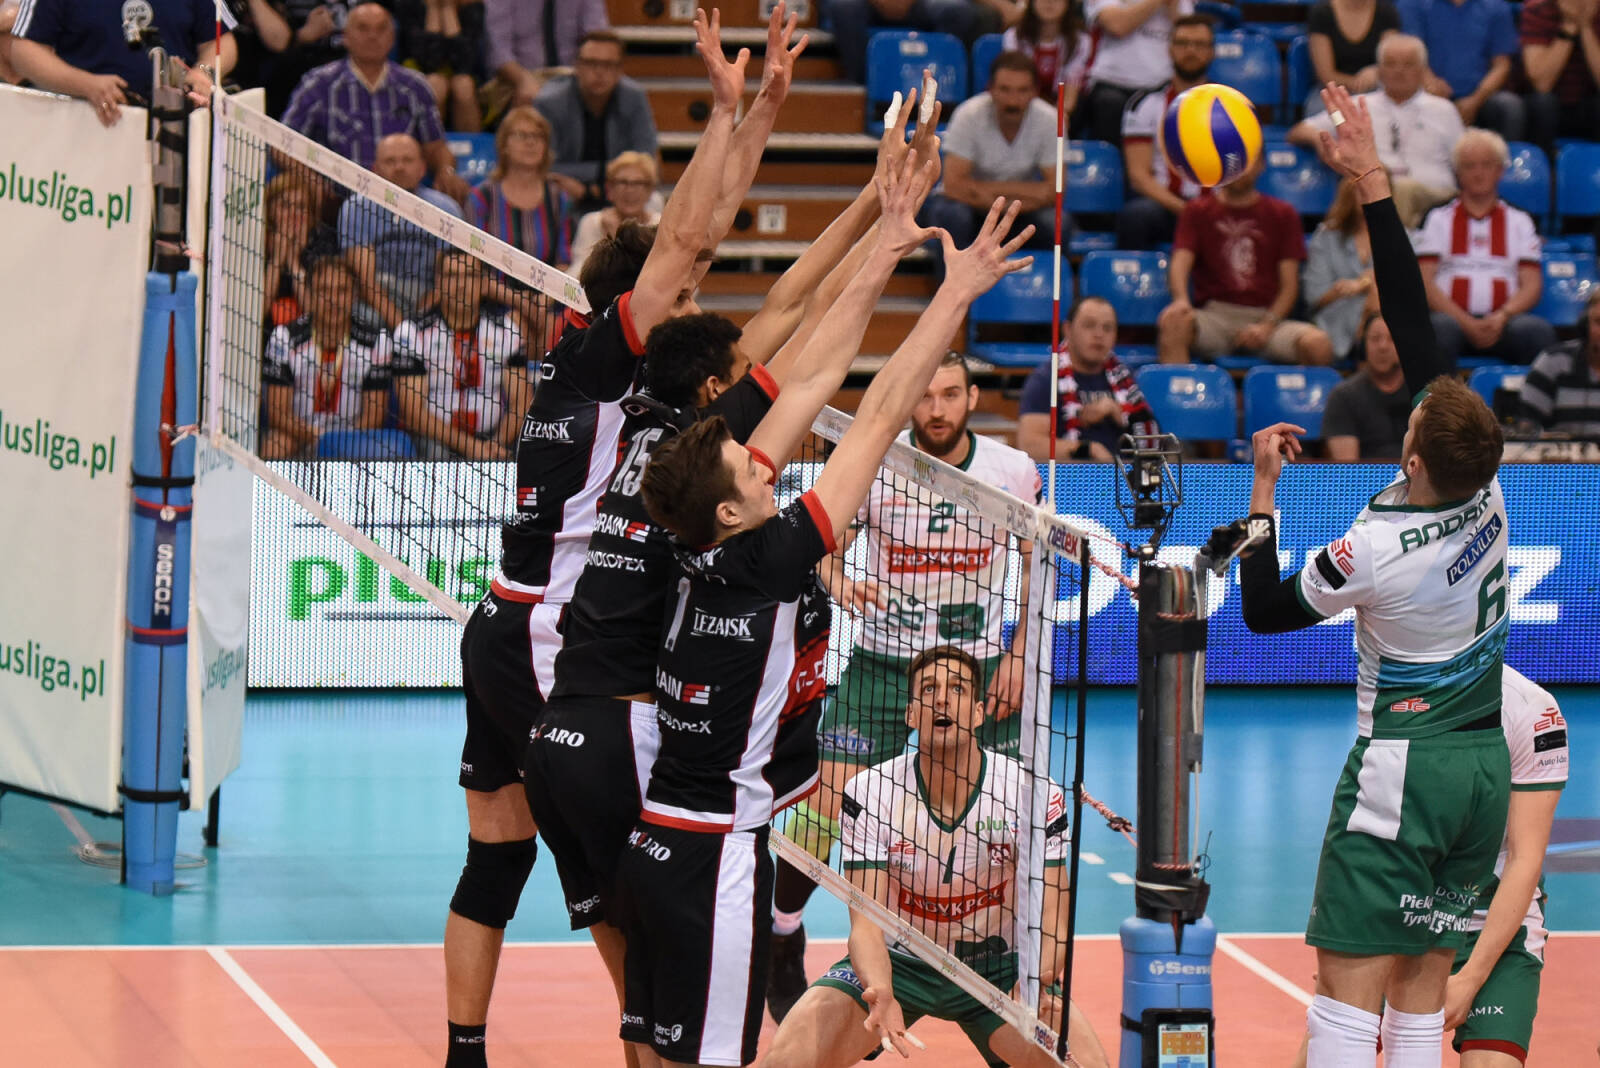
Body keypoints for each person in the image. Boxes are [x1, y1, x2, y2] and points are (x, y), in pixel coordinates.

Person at [444, 10, 807, 1067]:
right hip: (552, 642)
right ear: (634, 306)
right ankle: (664, 1043)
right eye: (677, 297)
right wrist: (730, 112)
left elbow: (698, 242)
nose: (692, 301)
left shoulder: (572, 363)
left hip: (499, 622)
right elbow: (687, 240)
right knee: (622, 874)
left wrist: (757, 113)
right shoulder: (617, 370)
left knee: (497, 860)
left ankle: (466, 1049)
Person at [620, 181, 1034, 1067]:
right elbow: (878, 414)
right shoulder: (768, 561)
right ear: (729, 511)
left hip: (651, 837)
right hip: (716, 854)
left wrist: (884, 246)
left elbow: (810, 376)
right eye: (749, 466)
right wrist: (955, 292)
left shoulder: (687, 544)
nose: (762, 462)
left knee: (653, 1048)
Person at [1240, 82, 1511, 1068]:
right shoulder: (1487, 485)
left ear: (1412, 455)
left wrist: (1263, 493)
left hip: (1404, 767)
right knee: (1419, 989)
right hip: (1482, 769)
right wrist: (1372, 181)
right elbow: (1411, 311)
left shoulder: (1378, 548)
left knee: (1346, 993)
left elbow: (1264, 612)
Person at [767, 348, 1043, 1020]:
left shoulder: (1012, 470)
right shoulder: (875, 458)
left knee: (1009, 820)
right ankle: (780, 933)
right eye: (924, 394)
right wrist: (837, 580)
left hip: (975, 673)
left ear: (973, 398)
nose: (936, 408)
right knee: (823, 805)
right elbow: (822, 544)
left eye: (950, 394)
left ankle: (1017, 963)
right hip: (885, 667)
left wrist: (1018, 655)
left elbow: (1041, 567)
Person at [763, 645, 1112, 1068]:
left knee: (1087, 1066)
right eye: (928, 689)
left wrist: (1034, 983)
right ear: (911, 714)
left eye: (958, 688)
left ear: (979, 713)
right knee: (787, 1059)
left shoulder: (1031, 794)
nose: (942, 698)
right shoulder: (871, 793)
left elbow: (1053, 918)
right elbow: (866, 926)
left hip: (1001, 970)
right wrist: (880, 988)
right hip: (900, 962)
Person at [1444, 667, 1568, 1067]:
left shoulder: (1533, 710)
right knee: (1326, 1051)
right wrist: (1348, 941)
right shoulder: (1395, 685)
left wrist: (1470, 979)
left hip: (1496, 921)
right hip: (1403, 913)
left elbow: (1524, 858)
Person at [281, 3, 471, 203]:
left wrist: (446, 170)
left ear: (392, 37)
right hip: (336, 201)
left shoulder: (415, 86)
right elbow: (282, 142)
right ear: (345, 36)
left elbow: (436, 146)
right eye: (363, 28)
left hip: (406, 202)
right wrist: (310, 180)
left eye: (381, 29)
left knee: (448, 204)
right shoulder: (319, 84)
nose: (373, 36)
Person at [1157, 155, 1335, 366]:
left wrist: (1267, 325)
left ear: (1261, 165)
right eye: (1233, 161)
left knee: (1318, 345)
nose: (1239, 169)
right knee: (1173, 323)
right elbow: (1180, 262)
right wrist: (1181, 300)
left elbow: (1289, 287)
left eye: (1247, 162)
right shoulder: (1196, 211)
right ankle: (1182, 388)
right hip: (1214, 316)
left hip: (1267, 317)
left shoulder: (1283, 214)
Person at [1289, 34, 1463, 226]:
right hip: (1375, 193)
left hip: (1436, 199)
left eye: (1408, 64)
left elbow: (1463, 164)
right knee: (1358, 191)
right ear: (1378, 69)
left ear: (1423, 70)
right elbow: (1300, 130)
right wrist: (1318, 138)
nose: (1399, 71)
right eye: (1391, 64)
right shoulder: (1358, 106)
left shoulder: (1444, 110)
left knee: (1403, 189)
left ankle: (1388, 243)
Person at [1417, 130, 1553, 370]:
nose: (1478, 173)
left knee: (1536, 332)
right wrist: (1465, 321)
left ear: (1500, 170)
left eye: (1486, 165)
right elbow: (1425, 282)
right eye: (1469, 166)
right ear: (1457, 173)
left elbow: (1532, 285)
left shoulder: (1520, 221)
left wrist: (1502, 316)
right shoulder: (1437, 218)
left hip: (1503, 323)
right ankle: (1439, 396)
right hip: (1453, 322)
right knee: (1437, 329)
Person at [920, 51, 1063, 279]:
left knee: (1057, 224)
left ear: (1035, 92)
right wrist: (1021, 194)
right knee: (953, 216)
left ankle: (1039, 292)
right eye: (1005, 89)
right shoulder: (968, 115)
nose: (1013, 101)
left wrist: (995, 197)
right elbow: (954, 186)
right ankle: (948, 292)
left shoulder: (1050, 119)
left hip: (1017, 210)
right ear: (991, 89)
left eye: (1022, 90)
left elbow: (1054, 191)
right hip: (971, 207)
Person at [391, 249, 529, 461]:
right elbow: (413, 412)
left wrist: (495, 445)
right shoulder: (412, 332)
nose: (461, 285)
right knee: (435, 451)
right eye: (452, 276)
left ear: (484, 283)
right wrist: (470, 447)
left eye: (470, 275)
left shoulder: (506, 331)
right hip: (435, 442)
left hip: (493, 441)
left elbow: (522, 404)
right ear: (438, 282)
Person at [9, 0, 235, 127]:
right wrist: (85, 84)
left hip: (179, 127)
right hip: (88, 124)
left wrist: (204, 71)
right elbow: (23, 50)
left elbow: (221, 41)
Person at [260, 256, 392, 459]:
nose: (333, 300)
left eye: (342, 291)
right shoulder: (284, 337)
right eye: (324, 291)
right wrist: (316, 438)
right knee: (274, 446)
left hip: (352, 439)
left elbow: (374, 417)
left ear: (354, 295)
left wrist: (336, 444)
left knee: (379, 448)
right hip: (299, 434)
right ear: (310, 295)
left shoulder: (376, 342)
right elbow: (278, 414)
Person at [336, 133, 465, 327]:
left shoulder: (445, 210)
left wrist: (420, 322)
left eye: (407, 160)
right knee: (362, 316)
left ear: (422, 168)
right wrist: (403, 328)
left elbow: (446, 280)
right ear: (375, 169)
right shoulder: (356, 208)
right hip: (376, 300)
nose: (399, 167)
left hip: (430, 302)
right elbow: (366, 283)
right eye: (390, 161)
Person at [1017, 296, 1158, 461]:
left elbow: (1154, 442)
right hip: (1070, 474)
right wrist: (1088, 450)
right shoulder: (1045, 379)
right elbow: (1030, 445)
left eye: (1107, 328)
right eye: (1089, 325)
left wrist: (1124, 416)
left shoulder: (1126, 379)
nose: (1099, 334)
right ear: (1067, 329)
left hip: (1124, 474)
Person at [1115, 14, 1214, 250]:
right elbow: (1139, 177)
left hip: (1217, 208)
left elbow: (1241, 171)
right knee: (1134, 216)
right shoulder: (1144, 104)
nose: (1191, 50)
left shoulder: (1232, 108)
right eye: (1183, 43)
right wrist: (1185, 209)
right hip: (1167, 205)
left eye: (1199, 44)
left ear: (1212, 52)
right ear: (1169, 49)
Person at [534, 29, 658, 215]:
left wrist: (595, 183)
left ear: (620, 70)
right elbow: (544, 165)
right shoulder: (549, 103)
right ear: (577, 66)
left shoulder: (635, 98)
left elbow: (646, 159)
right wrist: (609, 172)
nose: (599, 72)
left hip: (619, 189)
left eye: (608, 65)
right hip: (567, 190)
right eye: (591, 63)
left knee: (653, 200)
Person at [1397, 0, 1522, 141]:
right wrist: (1430, 83)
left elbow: (1502, 65)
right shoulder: (1412, 4)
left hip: (1480, 97)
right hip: (1427, 92)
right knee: (1403, 96)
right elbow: (1409, 54)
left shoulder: (1496, 7)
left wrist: (1476, 100)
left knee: (1509, 106)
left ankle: (1508, 155)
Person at [468, 106, 574, 269]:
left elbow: (564, 260)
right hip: (489, 285)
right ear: (504, 145)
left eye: (538, 136)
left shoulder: (558, 198)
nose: (531, 142)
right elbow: (474, 259)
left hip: (548, 285)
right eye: (521, 135)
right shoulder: (482, 197)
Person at [1078, 0, 1195, 144]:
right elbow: (1117, 25)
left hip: (1163, 85)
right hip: (1113, 84)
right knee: (1109, 105)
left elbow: (1189, 35)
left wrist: (1173, 9)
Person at [1303, 175, 1378, 360]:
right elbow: (1315, 295)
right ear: (1349, 193)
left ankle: (1368, 349)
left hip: (1383, 319)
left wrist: (1364, 285)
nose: (1369, 194)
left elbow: (1407, 292)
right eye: (1362, 188)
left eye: (1376, 187)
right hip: (1335, 319)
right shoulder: (1327, 236)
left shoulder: (1402, 237)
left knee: (1376, 301)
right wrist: (1351, 288)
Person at [485, 0, 610, 107]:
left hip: (572, 76)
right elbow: (498, 52)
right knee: (531, 99)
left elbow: (598, 41)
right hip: (520, 78)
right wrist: (523, 80)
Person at [1323, 313, 1411, 460]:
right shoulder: (1343, 396)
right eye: (1375, 339)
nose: (1383, 347)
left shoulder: (1423, 392)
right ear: (1363, 346)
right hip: (1367, 474)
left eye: (1392, 338)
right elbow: (1347, 467)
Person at [1520, 0, 1600, 157]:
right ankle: (1544, 168)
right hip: (1549, 106)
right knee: (1543, 103)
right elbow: (1542, 84)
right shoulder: (1537, 10)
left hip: (1589, 105)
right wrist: (1569, 26)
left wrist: (1586, 27)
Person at [1519, 289, 1600, 441]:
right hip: (1559, 456)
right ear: (1585, 325)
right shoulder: (1553, 361)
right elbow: (1526, 430)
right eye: (1599, 322)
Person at [262, 172, 339, 330]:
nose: (293, 214)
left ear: (310, 213)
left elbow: (317, 315)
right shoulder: (258, 241)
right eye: (285, 206)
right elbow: (259, 311)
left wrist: (294, 264)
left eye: (300, 207)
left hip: (308, 334)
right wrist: (276, 261)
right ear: (270, 210)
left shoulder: (323, 243)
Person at [1303, 0, 1400, 114]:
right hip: (1333, 90)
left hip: (1376, 88)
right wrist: (1359, 83)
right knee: (1329, 116)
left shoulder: (1386, 11)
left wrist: (1377, 70)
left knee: (1394, 108)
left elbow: (1391, 60)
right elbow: (1326, 75)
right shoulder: (1321, 13)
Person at [569, 151, 660, 272]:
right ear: (609, 189)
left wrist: (616, 239)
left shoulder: (660, 226)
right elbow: (579, 273)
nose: (629, 190)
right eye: (623, 182)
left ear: (650, 191)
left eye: (638, 183)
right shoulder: (591, 222)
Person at [1000, 0, 1090, 105]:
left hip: (1061, 106)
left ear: (1068, 4)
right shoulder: (1014, 37)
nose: (1049, 2)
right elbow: (1014, 82)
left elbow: (1070, 93)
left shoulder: (1081, 41)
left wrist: (1061, 111)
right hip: (1023, 103)